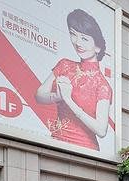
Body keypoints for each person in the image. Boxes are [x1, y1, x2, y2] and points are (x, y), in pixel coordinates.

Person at [36, 9, 112, 151]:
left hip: (85, 150)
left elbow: (101, 130)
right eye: (73, 34)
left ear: (98, 47)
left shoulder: (103, 85)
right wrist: (58, 96)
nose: (78, 43)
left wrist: (68, 100)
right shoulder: (64, 65)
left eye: (84, 39)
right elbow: (39, 95)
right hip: (56, 142)